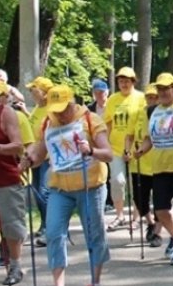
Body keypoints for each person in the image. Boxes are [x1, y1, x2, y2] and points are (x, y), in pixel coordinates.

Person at [19, 83, 113, 286]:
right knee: (53, 233)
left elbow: (108, 154)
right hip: (59, 188)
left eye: (63, 110)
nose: (60, 115)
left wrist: (90, 150)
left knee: (94, 235)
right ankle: (58, 283)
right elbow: (39, 152)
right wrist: (28, 159)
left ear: (72, 103)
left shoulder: (90, 119)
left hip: (91, 187)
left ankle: (95, 281)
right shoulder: (48, 123)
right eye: (55, 111)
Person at [132, 73, 173, 265]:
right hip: (159, 168)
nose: (162, 92)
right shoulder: (151, 111)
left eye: (166, 88)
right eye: (159, 89)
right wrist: (140, 151)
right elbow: (148, 139)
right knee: (160, 210)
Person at [0, 78, 27, 285]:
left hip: (5, 182)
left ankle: (16, 267)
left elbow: (19, 146)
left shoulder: (6, 114)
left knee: (11, 229)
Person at [103, 67, 146, 231]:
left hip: (136, 148)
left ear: (133, 82)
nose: (124, 84)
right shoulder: (113, 99)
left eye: (127, 81)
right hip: (115, 147)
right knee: (118, 181)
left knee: (137, 184)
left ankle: (136, 217)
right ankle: (120, 215)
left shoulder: (141, 98)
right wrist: (105, 142)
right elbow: (108, 122)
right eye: (121, 81)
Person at [129, 84, 163, 248]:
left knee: (160, 200)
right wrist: (126, 150)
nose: (152, 100)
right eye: (149, 97)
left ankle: (157, 231)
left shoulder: (164, 114)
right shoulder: (138, 114)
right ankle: (149, 222)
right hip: (139, 163)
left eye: (155, 97)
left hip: (159, 164)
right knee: (139, 198)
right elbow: (129, 135)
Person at [26, 76, 54, 246]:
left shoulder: (51, 110)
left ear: (44, 93)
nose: (31, 93)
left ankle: (50, 226)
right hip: (35, 157)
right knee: (37, 191)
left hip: (47, 158)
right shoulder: (38, 108)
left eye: (33, 89)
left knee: (44, 191)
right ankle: (44, 224)